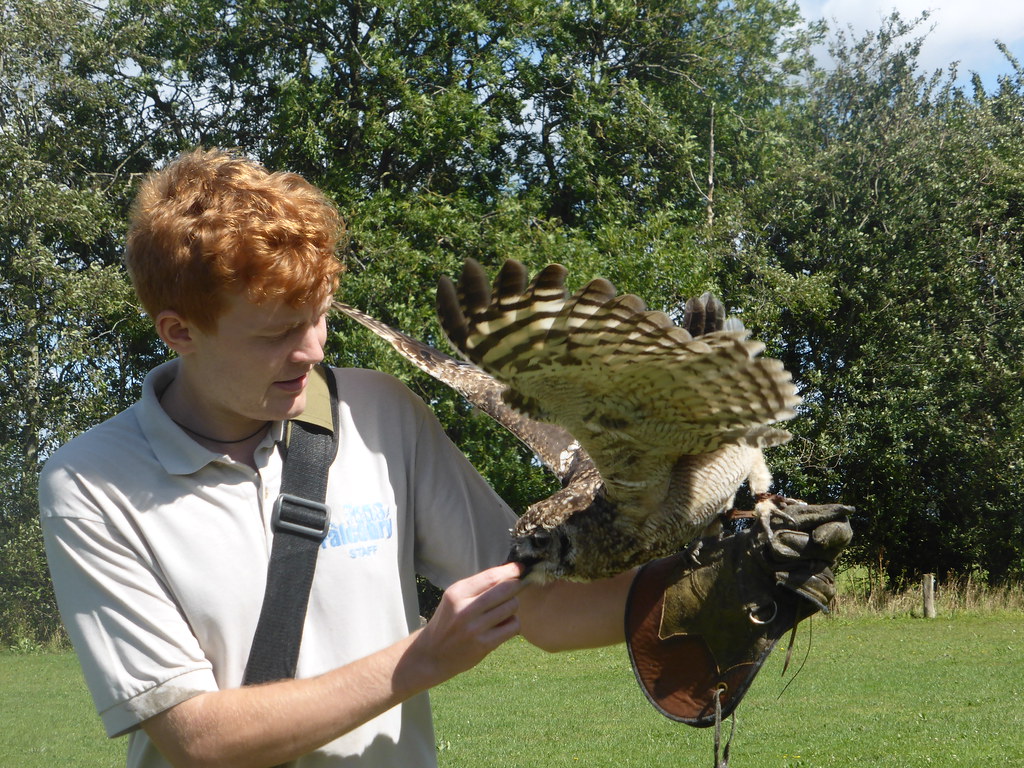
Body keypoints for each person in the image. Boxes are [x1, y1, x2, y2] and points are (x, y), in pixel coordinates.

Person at [39, 148, 634, 768]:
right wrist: (423, 657)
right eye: (277, 333)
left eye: (319, 317)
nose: (313, 351)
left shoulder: (380, 415)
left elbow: (542, 606)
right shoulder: (90, 483)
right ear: (179, 331)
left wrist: (693, 591)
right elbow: (197, 738)